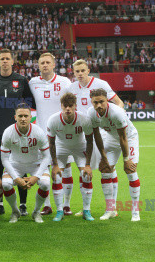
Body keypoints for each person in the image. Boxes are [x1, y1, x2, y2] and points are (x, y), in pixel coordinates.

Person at [68, 59, 124, 217]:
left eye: (82, 70)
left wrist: (112, 119)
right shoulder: (71, 88)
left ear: (88, 70)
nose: (80, 74)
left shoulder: (101, 84)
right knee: (85, 171)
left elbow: (119, 103)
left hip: (104, 132)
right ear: (74, 72)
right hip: (84, 134)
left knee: (108, 169)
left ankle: (112, 208)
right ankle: (86, 208)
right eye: (77, 71)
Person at [0, 48, 35, 216]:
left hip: (18, 130)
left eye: (7, 59)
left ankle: (23, 204)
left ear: (13, 61)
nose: (5, 61)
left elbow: (29, 101)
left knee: (20, 163)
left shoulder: (21, 80)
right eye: (2, 59)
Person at [83, 89, 141, 222]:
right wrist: (103, 156)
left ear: (107, 100)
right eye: (95, 102)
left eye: (101, 102)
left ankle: (135, 211)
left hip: (129, 138)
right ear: (91, 102)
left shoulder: (116, 112)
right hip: (111, 138)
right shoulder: (91, 113)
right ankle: (110, 209)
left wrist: (126, 159)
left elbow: (123, 137)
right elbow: (96, 135)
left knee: (130, 171)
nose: (99, 105)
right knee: (105, 170)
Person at [28, 52, 72, 216]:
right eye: (42, 63)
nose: (45, 65)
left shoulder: (65, 82)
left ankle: (66, 205)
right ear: (38, 66)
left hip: (62, 133)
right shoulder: (33, 83)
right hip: (41, 133)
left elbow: (71, 103)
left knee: (66, 168)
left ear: (54, 65)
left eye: (47, 62)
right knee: (43, 169)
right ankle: (47, 205)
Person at [47, 93, 94, 222]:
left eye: (70, 106)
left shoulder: (84, 119)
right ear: (61, 106)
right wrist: (55, 165)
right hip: (61, 147)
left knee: (86, 175)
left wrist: (88, 165)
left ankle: (86, 210)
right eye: (65, 106)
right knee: (57, 176)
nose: (68, 109)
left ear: (75, 107)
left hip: (79, 147)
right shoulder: (53, 120)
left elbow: (90, 142)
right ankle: (60, 211)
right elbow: (51, 143)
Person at [0, 103, 51, 223]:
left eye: (26, 116)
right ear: (15, 117)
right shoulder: (8, 132)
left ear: (30, 117)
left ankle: (36, 211)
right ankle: (15, 211)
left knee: (45, 183)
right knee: (6, 185)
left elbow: (47, 156)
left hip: (35, 163)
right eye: (20, 116)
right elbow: (5, 159)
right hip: (15, 164)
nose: (23, 119)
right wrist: (17, 178)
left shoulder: (38, 132)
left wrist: (36, 176)